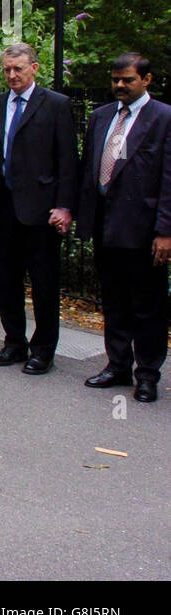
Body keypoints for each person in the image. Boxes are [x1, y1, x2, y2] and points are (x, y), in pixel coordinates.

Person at [0, 45, 78, 374]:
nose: (11, 75)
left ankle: (43, 350)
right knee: (5, 281)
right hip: (0, 207)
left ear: (34, 68)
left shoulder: (56, 105)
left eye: (18, 69)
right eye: (7, 69)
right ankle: (13, 342)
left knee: (43, 284)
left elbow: (68, 161)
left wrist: (64, 206)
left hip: (40, 210)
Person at [74, 52, 171, 403]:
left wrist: (165, 231)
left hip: (144, 230)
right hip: (106, 225)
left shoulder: (163, 118)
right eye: (115, 79)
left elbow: (169, 178)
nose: (119, 85)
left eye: (127, 80)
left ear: (146, 80)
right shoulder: (101, 116)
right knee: (113, 300)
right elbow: (90, 169)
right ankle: (117, 364)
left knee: (148, 304)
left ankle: (147, 373)